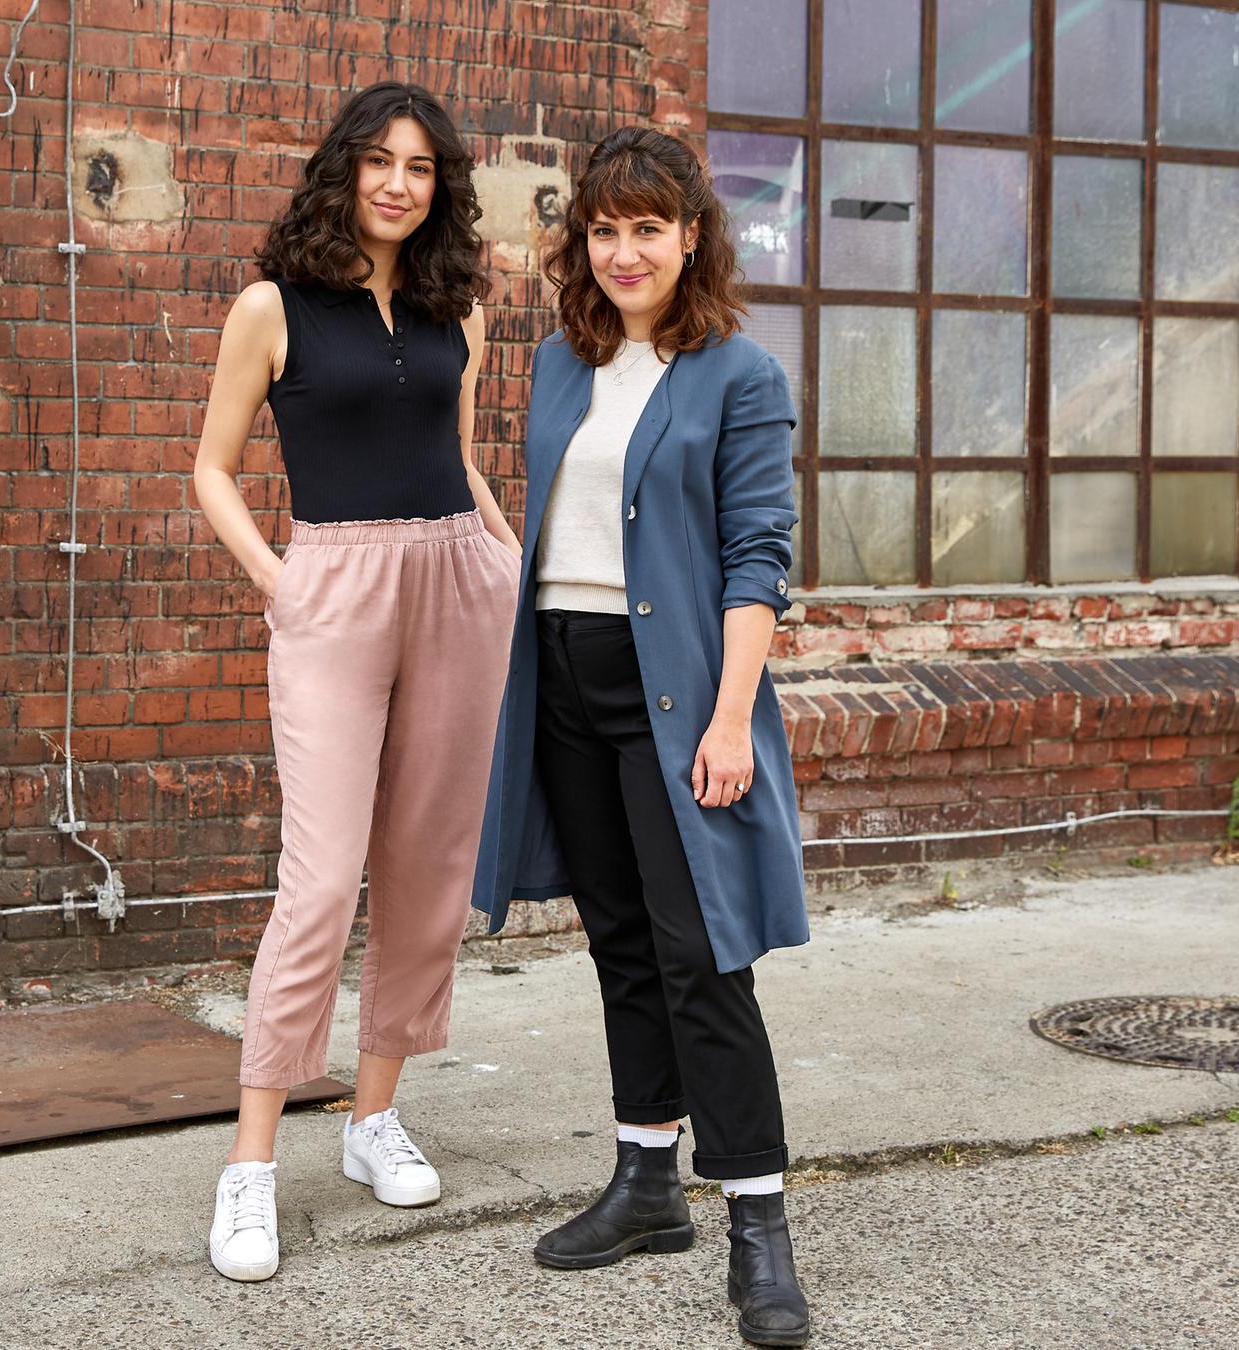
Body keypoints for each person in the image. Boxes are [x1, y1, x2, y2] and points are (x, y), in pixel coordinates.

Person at [470, 127, 812, 1346]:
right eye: (604, 230)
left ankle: (759, 1226)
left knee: (701, 956)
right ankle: (646, 1182)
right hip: (563, 675)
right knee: (619, 939)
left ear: (691, 237)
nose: (624, 252)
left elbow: (759, 559)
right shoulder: (562, 364)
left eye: (647, 229)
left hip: (674, 697)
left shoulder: (739, 375)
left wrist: (728, 720)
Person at [189, 81, 520, 1284]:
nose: (398, 182)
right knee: (321, 880)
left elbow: (463, 458)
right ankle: (252, 1164)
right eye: (379, 161)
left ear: (441, 187)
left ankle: (373, 1117)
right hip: (333, 585)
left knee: (429, 867)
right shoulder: (272, 308)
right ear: (344, 171)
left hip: (457, 584)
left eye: (421, 167)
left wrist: (502, 557)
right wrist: (283, 583)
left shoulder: (456, 311)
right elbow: (212, 469)